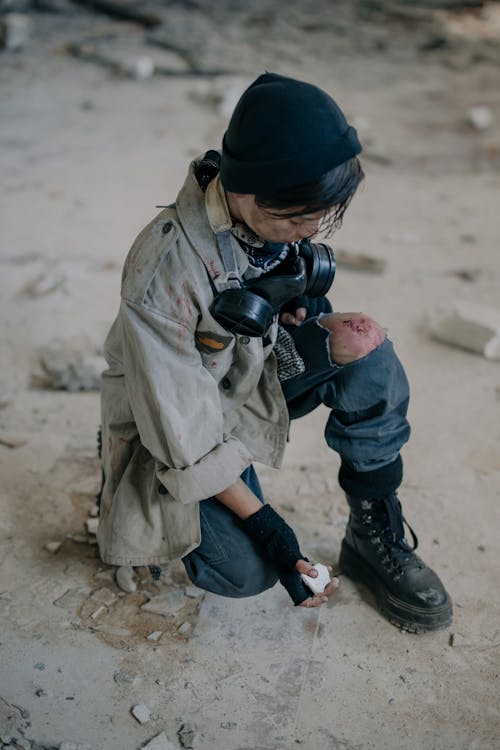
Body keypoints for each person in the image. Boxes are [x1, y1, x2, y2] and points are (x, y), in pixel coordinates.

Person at [97, 72, 452, 631]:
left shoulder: (275, 213)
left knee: (367, 347)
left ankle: (371, 533)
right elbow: (185, 436)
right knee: (246, 573)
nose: (303, 233)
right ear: (244, 187)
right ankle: (121, 484)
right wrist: (275, 534)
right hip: (176, 421)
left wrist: (301, 310)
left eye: (318, 220)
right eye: (292, 219)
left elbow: (284, 271)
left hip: (246, 374)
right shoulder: (164, 271)